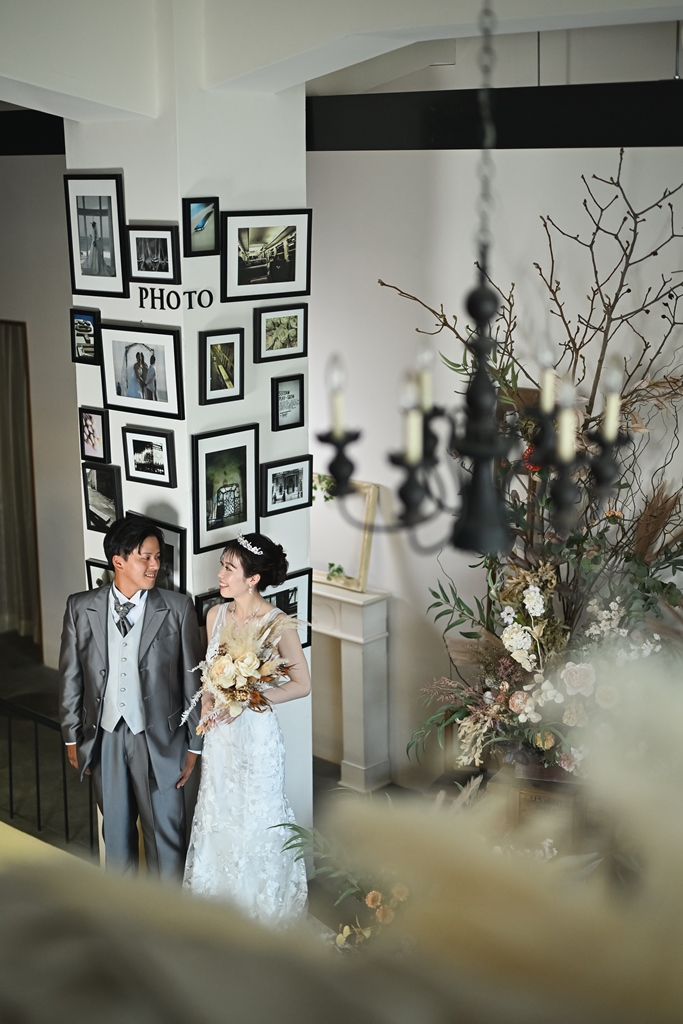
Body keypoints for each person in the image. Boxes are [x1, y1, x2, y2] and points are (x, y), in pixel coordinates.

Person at [59, 517, 203, 877]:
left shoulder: (177, 608)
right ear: (118, 561)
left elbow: (193, 681)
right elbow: (71, 676)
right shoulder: (80, 607)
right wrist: (71, 735)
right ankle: (123, 910)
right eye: (146, 557)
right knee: (116, 837)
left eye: (158, 557)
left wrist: (195, 743)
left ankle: (167, 911)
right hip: (105, 736)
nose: (155, 565)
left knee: (167, 839)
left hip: (161, 740)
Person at [183, 532, 310, 925]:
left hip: (255, 738)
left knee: (257, 819)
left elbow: (302, 684)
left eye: (229, 568)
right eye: (222, 566)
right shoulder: (215, 615)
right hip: (221, 737)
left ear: (253, 579)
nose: (220, 575)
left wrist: (251, 699)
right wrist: (208, 701)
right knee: (218, 813)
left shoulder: (277, 623)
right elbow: (209, 677)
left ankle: (263, 916)